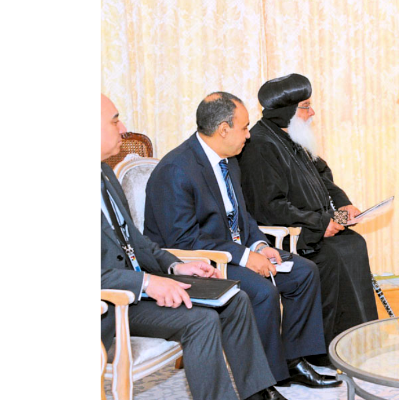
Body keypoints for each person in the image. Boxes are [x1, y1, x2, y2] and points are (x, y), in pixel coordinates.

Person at [143, 92, 340, 390]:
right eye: (245, 127)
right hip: (200, 263)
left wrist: (260, 246)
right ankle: (268, 380)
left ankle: (294, 360)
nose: (249, 135)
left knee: (304, 272)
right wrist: (246, 258)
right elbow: (183, 241)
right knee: (261, 292)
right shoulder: (176, 170)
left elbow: (242, 215)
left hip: (233, 252)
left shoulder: (229, 160)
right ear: (224, 129)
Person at [99, 93, 284, 400]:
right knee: (202, 320)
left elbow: (135, 241)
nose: (123, 129)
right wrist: (148, 282)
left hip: (137, 289)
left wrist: (174, 266)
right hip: (110, 304)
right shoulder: (176, 167)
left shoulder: (105, 173)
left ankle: (258, 393)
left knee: (234, 299)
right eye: (115, 120)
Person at [236, 74, 379, 356]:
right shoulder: (261, 145)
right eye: (305, 106)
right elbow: (269, 207)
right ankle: (325, 351)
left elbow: (322, 174)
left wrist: (343, 204)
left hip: (314, 226)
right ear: (286, 110)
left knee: (354, 243)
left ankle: (357, 343)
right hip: (285, 237)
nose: (312, 112)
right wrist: (320, 223)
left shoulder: (292, 135)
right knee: (333, 256)